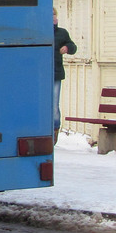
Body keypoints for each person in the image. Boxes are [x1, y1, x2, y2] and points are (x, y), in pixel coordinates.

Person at [52, 8, 76, 144]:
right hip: (41, 75)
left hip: (56, 74)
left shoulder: (62, 33)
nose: (53, 17)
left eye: (54, 14)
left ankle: (55, 129)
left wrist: (67, 48)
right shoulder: (41, 30)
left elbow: (72, 46)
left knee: (54, 105)